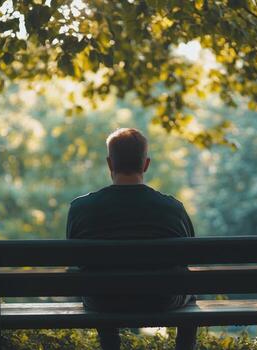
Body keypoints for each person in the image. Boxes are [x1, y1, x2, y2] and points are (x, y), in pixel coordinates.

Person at [66, 128, 197, 350]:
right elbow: (189, 257)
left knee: (98, 282)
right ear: (146, 164)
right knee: (189, 288)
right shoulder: (172, 209)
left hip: (103, 301)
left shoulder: (81, 209)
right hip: (160, 300)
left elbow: (76, 260)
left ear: (110, 164)